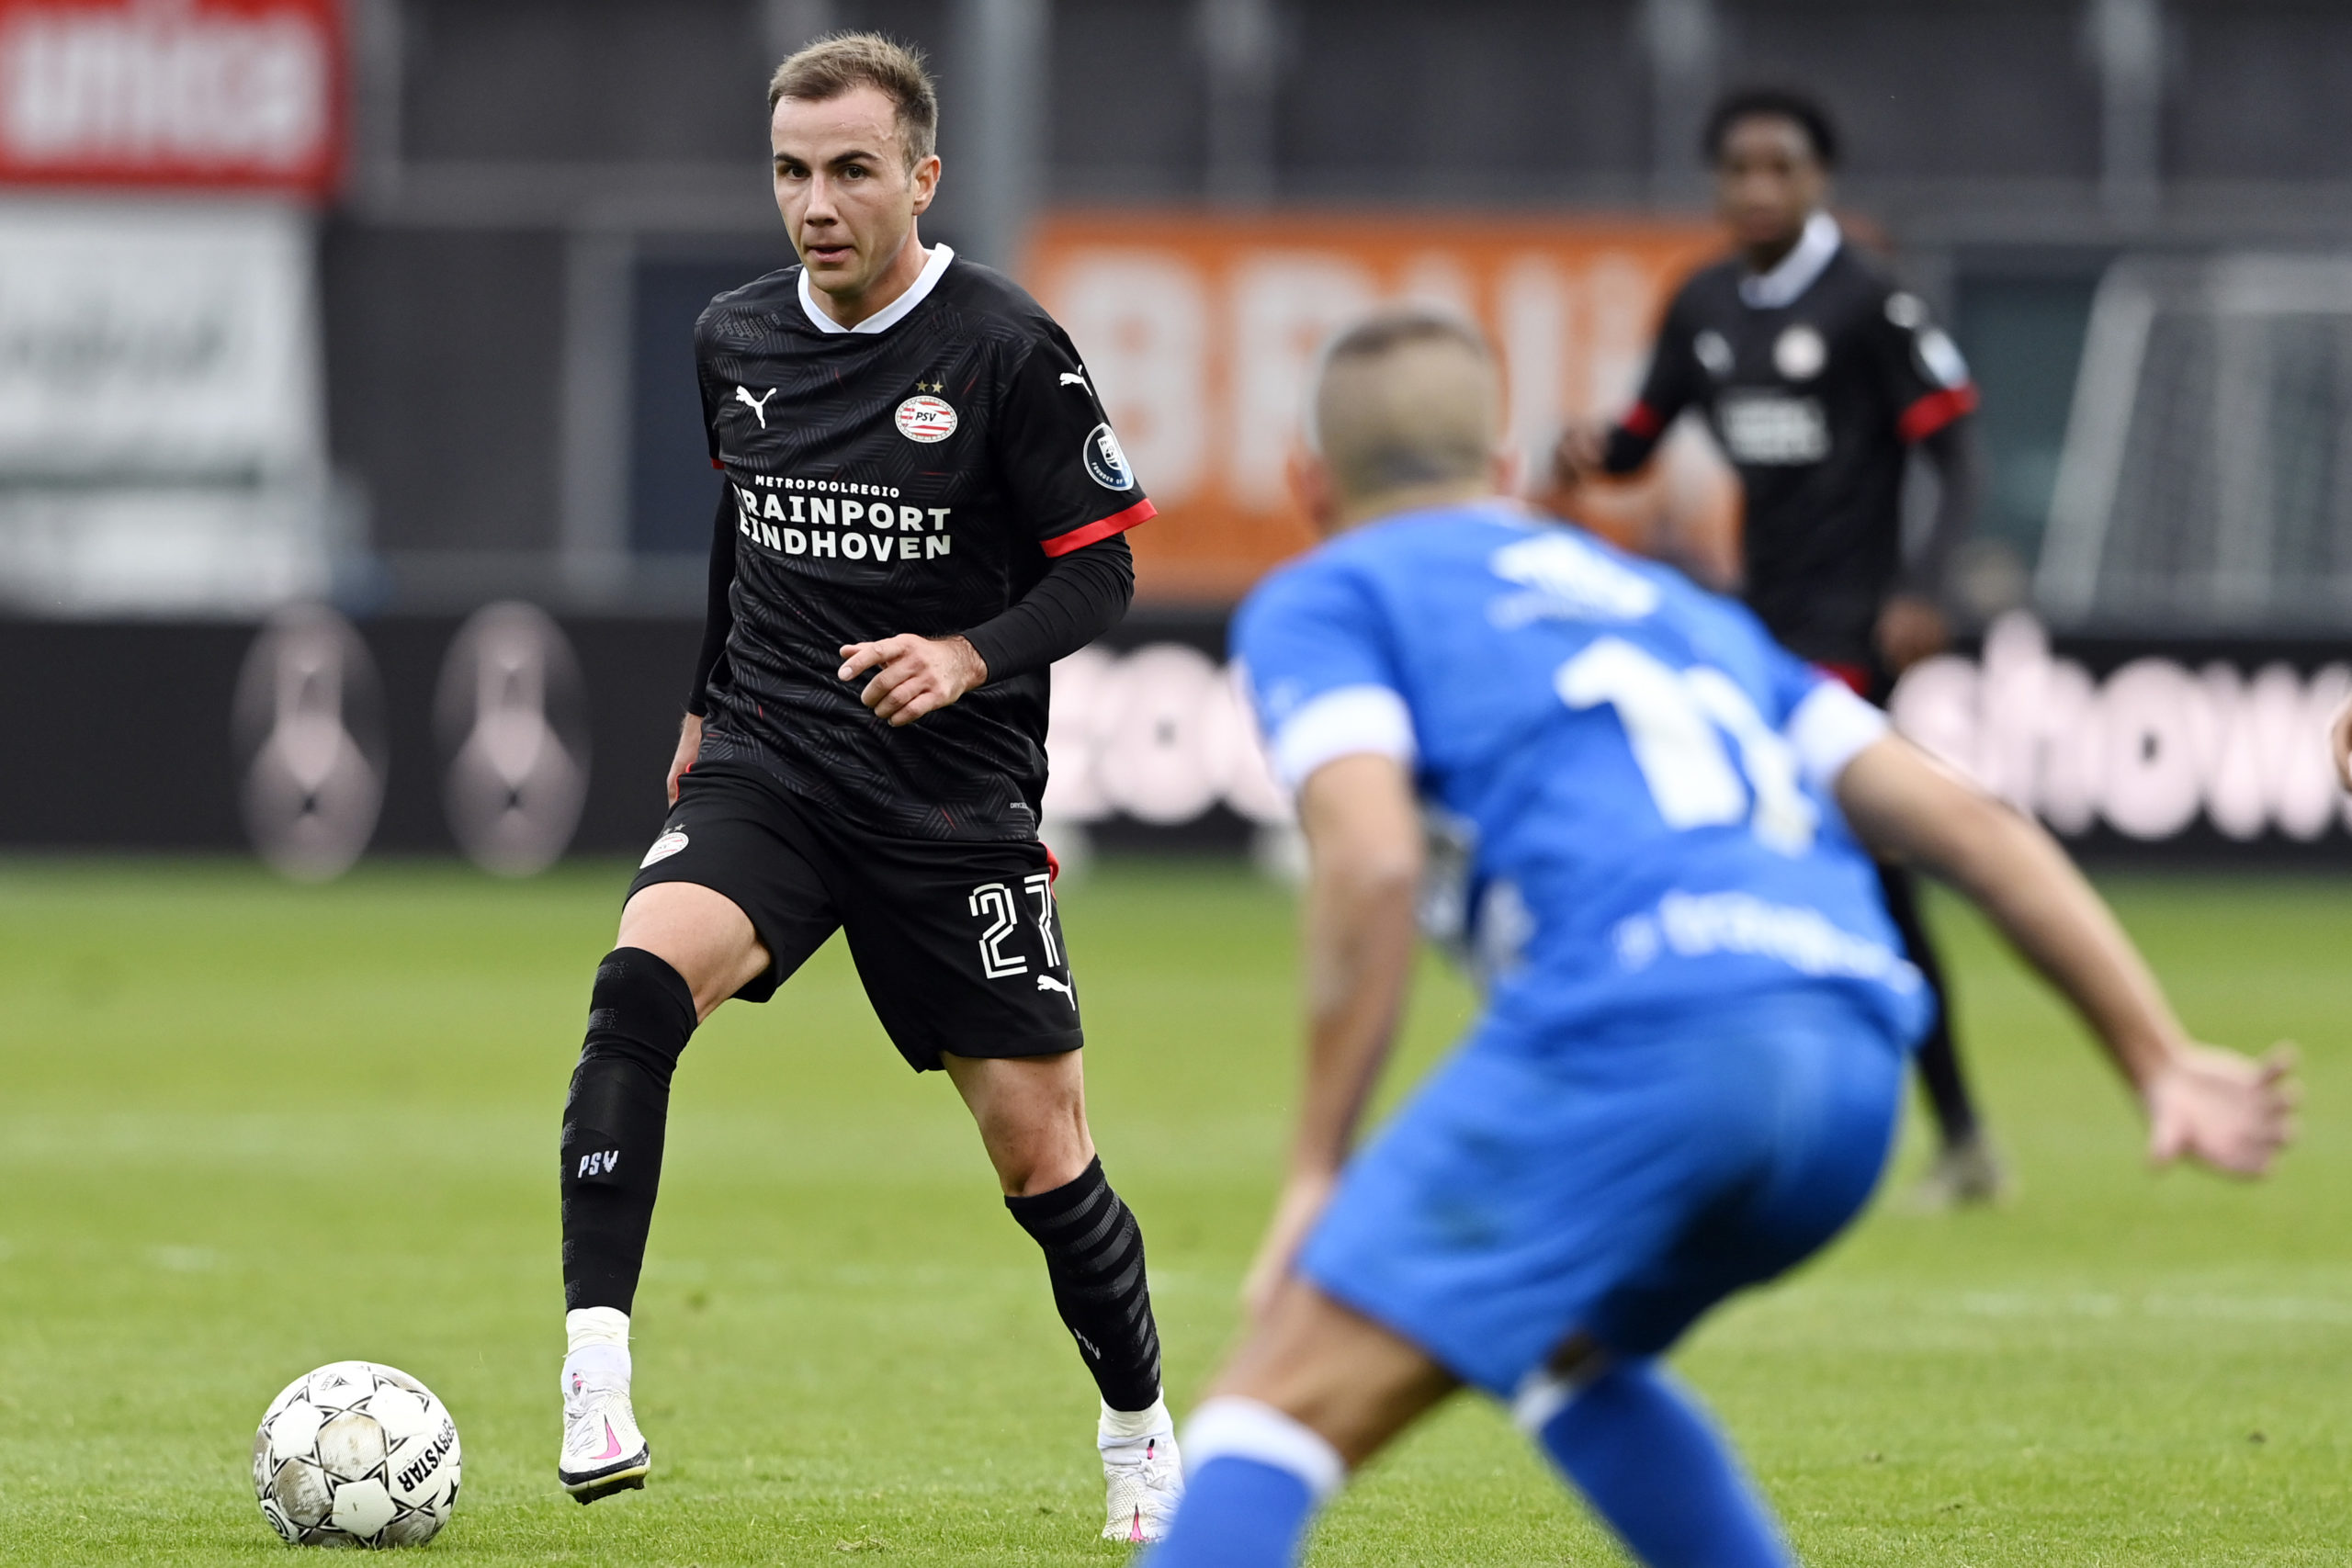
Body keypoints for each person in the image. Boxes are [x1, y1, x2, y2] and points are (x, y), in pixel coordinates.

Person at [1143, 310, 2295, 1568]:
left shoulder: (1335, 591)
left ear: (1311, 482)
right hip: (1852, 1062)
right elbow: (1970, 820)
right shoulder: (1678, 607)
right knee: (1566, 1343)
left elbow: (1368, 858)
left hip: (1649, 1028)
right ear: (1511, 470)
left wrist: (1318, 1164)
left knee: (1272, 1398)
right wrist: (2157, 1054)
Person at [552, 33, 1182, 1543]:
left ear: (921, 177)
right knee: (637, 989)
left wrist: (970, 655)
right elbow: (744, 527)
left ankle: (1142, 1426)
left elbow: (1104, 574)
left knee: (1041, 1151)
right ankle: (595, 1366)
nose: (817, 202)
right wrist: (710, 702)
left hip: (950, 808)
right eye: (790, 171)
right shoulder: (736, 335)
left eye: (849, 170)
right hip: (774, 759)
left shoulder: (1006, 348)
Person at [1555, 86, 2002, 1205]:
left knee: (1820, 863)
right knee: (1843, 878)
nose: (1756, 187)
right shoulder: (1703, 301)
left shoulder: (1868, 301)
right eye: (1737, 168)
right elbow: (1642, 437)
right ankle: (1932, 1134)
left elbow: (1954, 451)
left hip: (1850, 633)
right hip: (1756, 629)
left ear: (1818, 181)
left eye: (1779, 167)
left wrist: (1921, 583)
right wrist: (1588, 449)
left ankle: (1924, 1129)